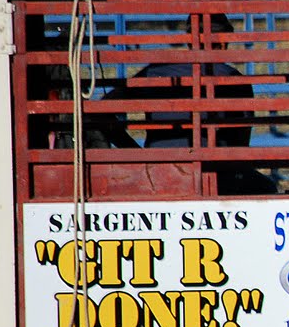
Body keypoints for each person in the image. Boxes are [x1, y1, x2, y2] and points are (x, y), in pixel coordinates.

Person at [102, 14, 276, 195]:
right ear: (224, 42)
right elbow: (240, 146)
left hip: (156, 176)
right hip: (215, 179)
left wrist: (137, 156)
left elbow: (101, 111)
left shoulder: (154, 72)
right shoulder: (234, 80)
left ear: (189, 40)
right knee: (266, 187)